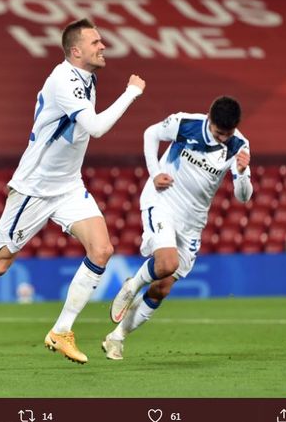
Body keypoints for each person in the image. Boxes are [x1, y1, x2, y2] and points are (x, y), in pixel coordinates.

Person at [0, 18, 145, 364]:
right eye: (96, 42)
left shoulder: (88, 78)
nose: (103, 46)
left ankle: (61, 331)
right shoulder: (63, 80)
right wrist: (132, 93)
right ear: (76, 51)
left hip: (68, 185)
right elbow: (96, 128)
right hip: (35, 188)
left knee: (101, 250)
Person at [103, 96, 252, 360]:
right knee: (167, 262)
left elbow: (243, 196)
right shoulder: (186, 123)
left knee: (162, 287)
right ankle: (131, 286)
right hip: (163, 200)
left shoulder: (238, 146)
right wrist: (153, 173)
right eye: (218, 133)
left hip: (193, 221)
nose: (222, 139)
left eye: (227, 134)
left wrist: (242, 171)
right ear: (209, 119)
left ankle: (117, 337)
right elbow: (151, 133)